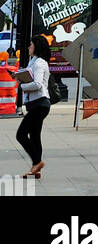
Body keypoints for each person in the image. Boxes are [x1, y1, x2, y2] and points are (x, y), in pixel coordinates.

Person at [15, 34, 51, 179]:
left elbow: (37, 84)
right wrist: (18, 76)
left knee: (21, 134)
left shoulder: (39, 63)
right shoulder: (33, 62)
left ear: (36, 47)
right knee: (35, 136)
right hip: (36, 104)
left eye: (31, 45)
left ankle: (37, 162)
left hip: (40, 104)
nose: (29, 47)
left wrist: (21, 85)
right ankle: (36, 168)